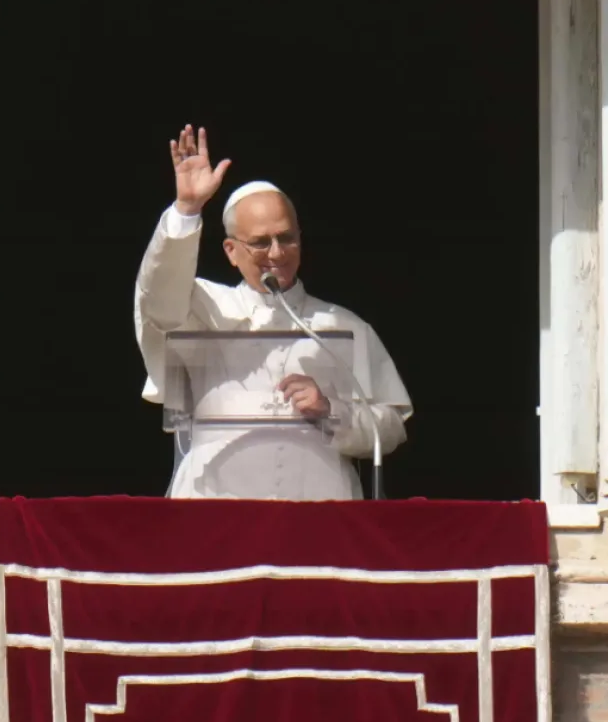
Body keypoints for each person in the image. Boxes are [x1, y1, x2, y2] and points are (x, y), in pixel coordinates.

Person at [134, 124, 412, 500]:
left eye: (287, 238)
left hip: (319, 509)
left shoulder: (342, 325)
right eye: (261, 243)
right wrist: (187, 211)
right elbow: (158, 302)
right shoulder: (202, 307)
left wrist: (332, 410)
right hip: (215, 508)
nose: (277, 253)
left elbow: (391, 427)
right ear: (231, 251)